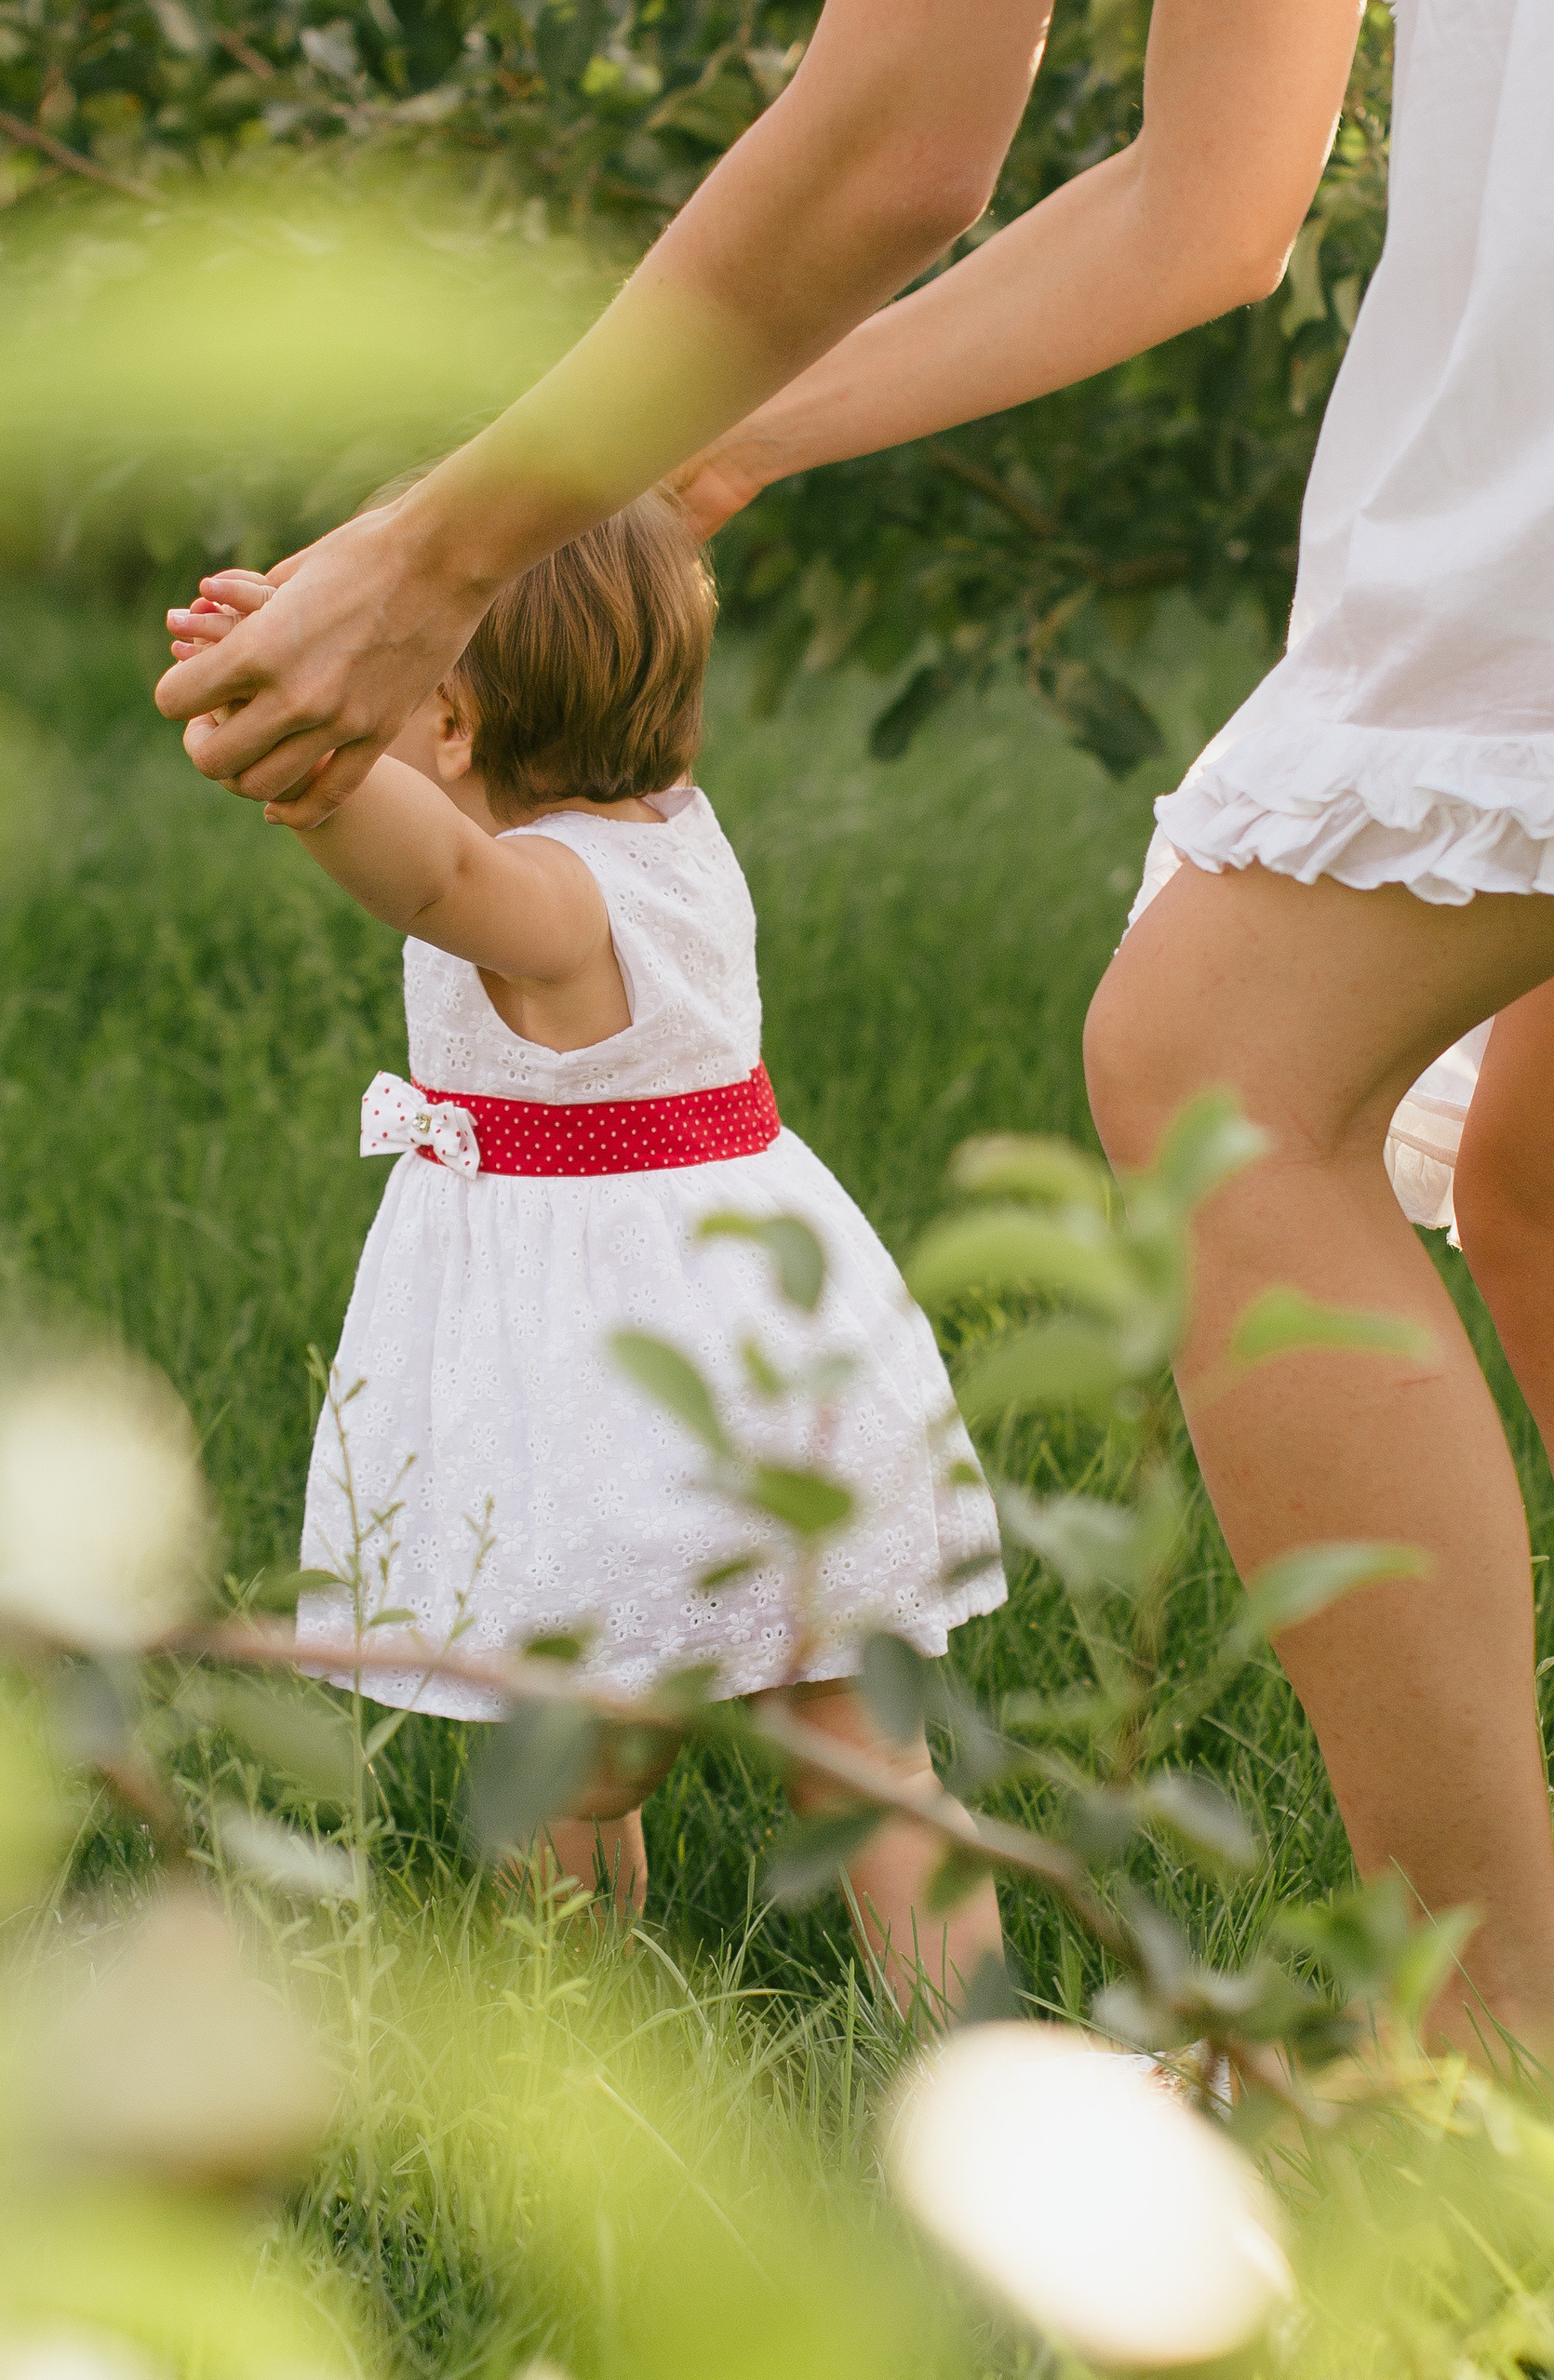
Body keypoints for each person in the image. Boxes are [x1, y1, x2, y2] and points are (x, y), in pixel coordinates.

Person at [160, 0, 1554, 2066]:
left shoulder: (571, 881)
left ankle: (1485, 2082)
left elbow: (899, 139)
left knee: (1225, 1066)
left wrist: (433, 559)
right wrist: (727, 431)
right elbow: (1214, 201)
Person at [170, 491, 1007, 2010]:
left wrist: (291, 741)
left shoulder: (542, 902)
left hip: (620, 1400)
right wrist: (308, 640)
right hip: (779, 1342)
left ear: (440, 717)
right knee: (863, 1745)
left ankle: (571, 2019)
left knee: (576, 1744)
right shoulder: (678, 836)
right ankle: (967, 2028)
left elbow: (430, 875)